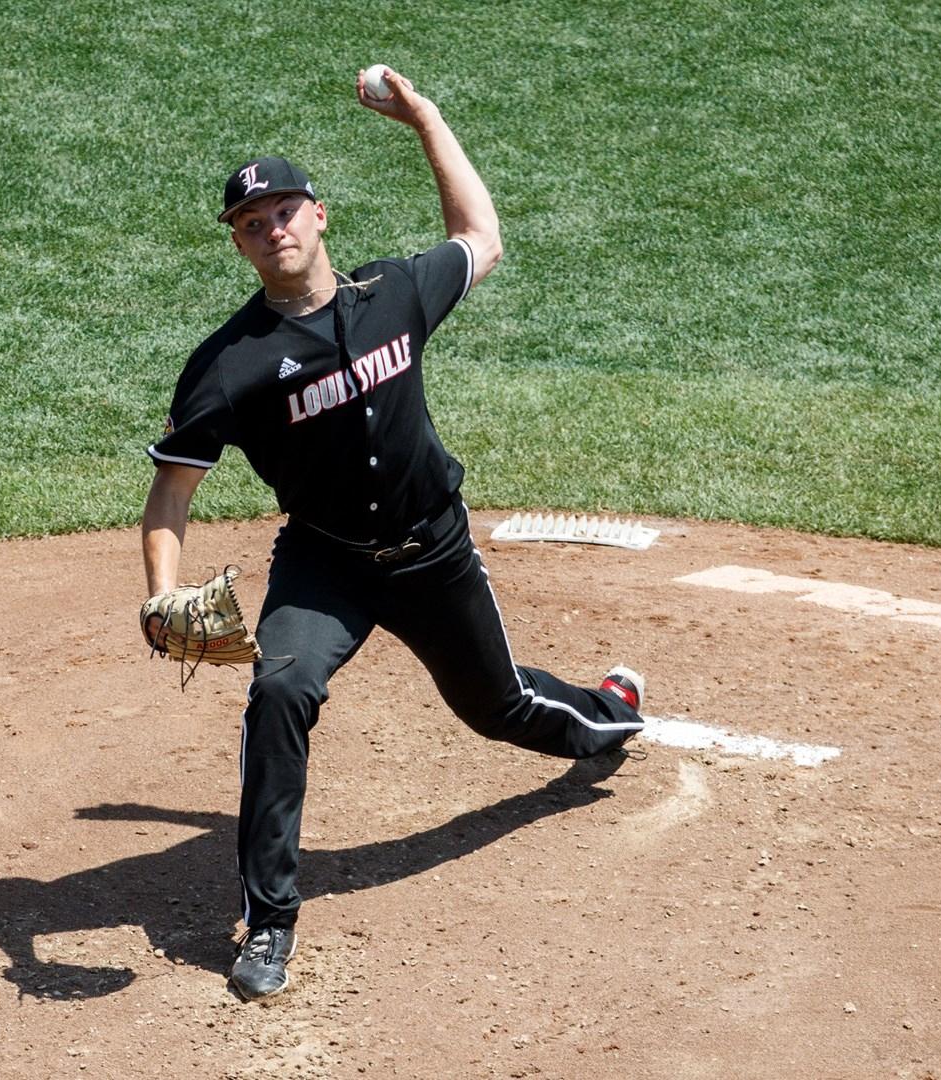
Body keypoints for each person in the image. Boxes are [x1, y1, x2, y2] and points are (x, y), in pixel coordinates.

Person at [138, 67, 648, 1002]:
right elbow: (169, 492)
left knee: (497, 707)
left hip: (434, 551)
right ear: (241, 244)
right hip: (326, 563)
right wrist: (162, 589)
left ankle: (610, 713)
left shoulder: (397, 295)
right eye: (252, 223)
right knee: (280, 687)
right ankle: (269, 921)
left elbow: (481, 238)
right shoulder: (227, 367)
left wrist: (425, 117)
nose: (272, 228)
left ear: (319, 216)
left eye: (285, 209)